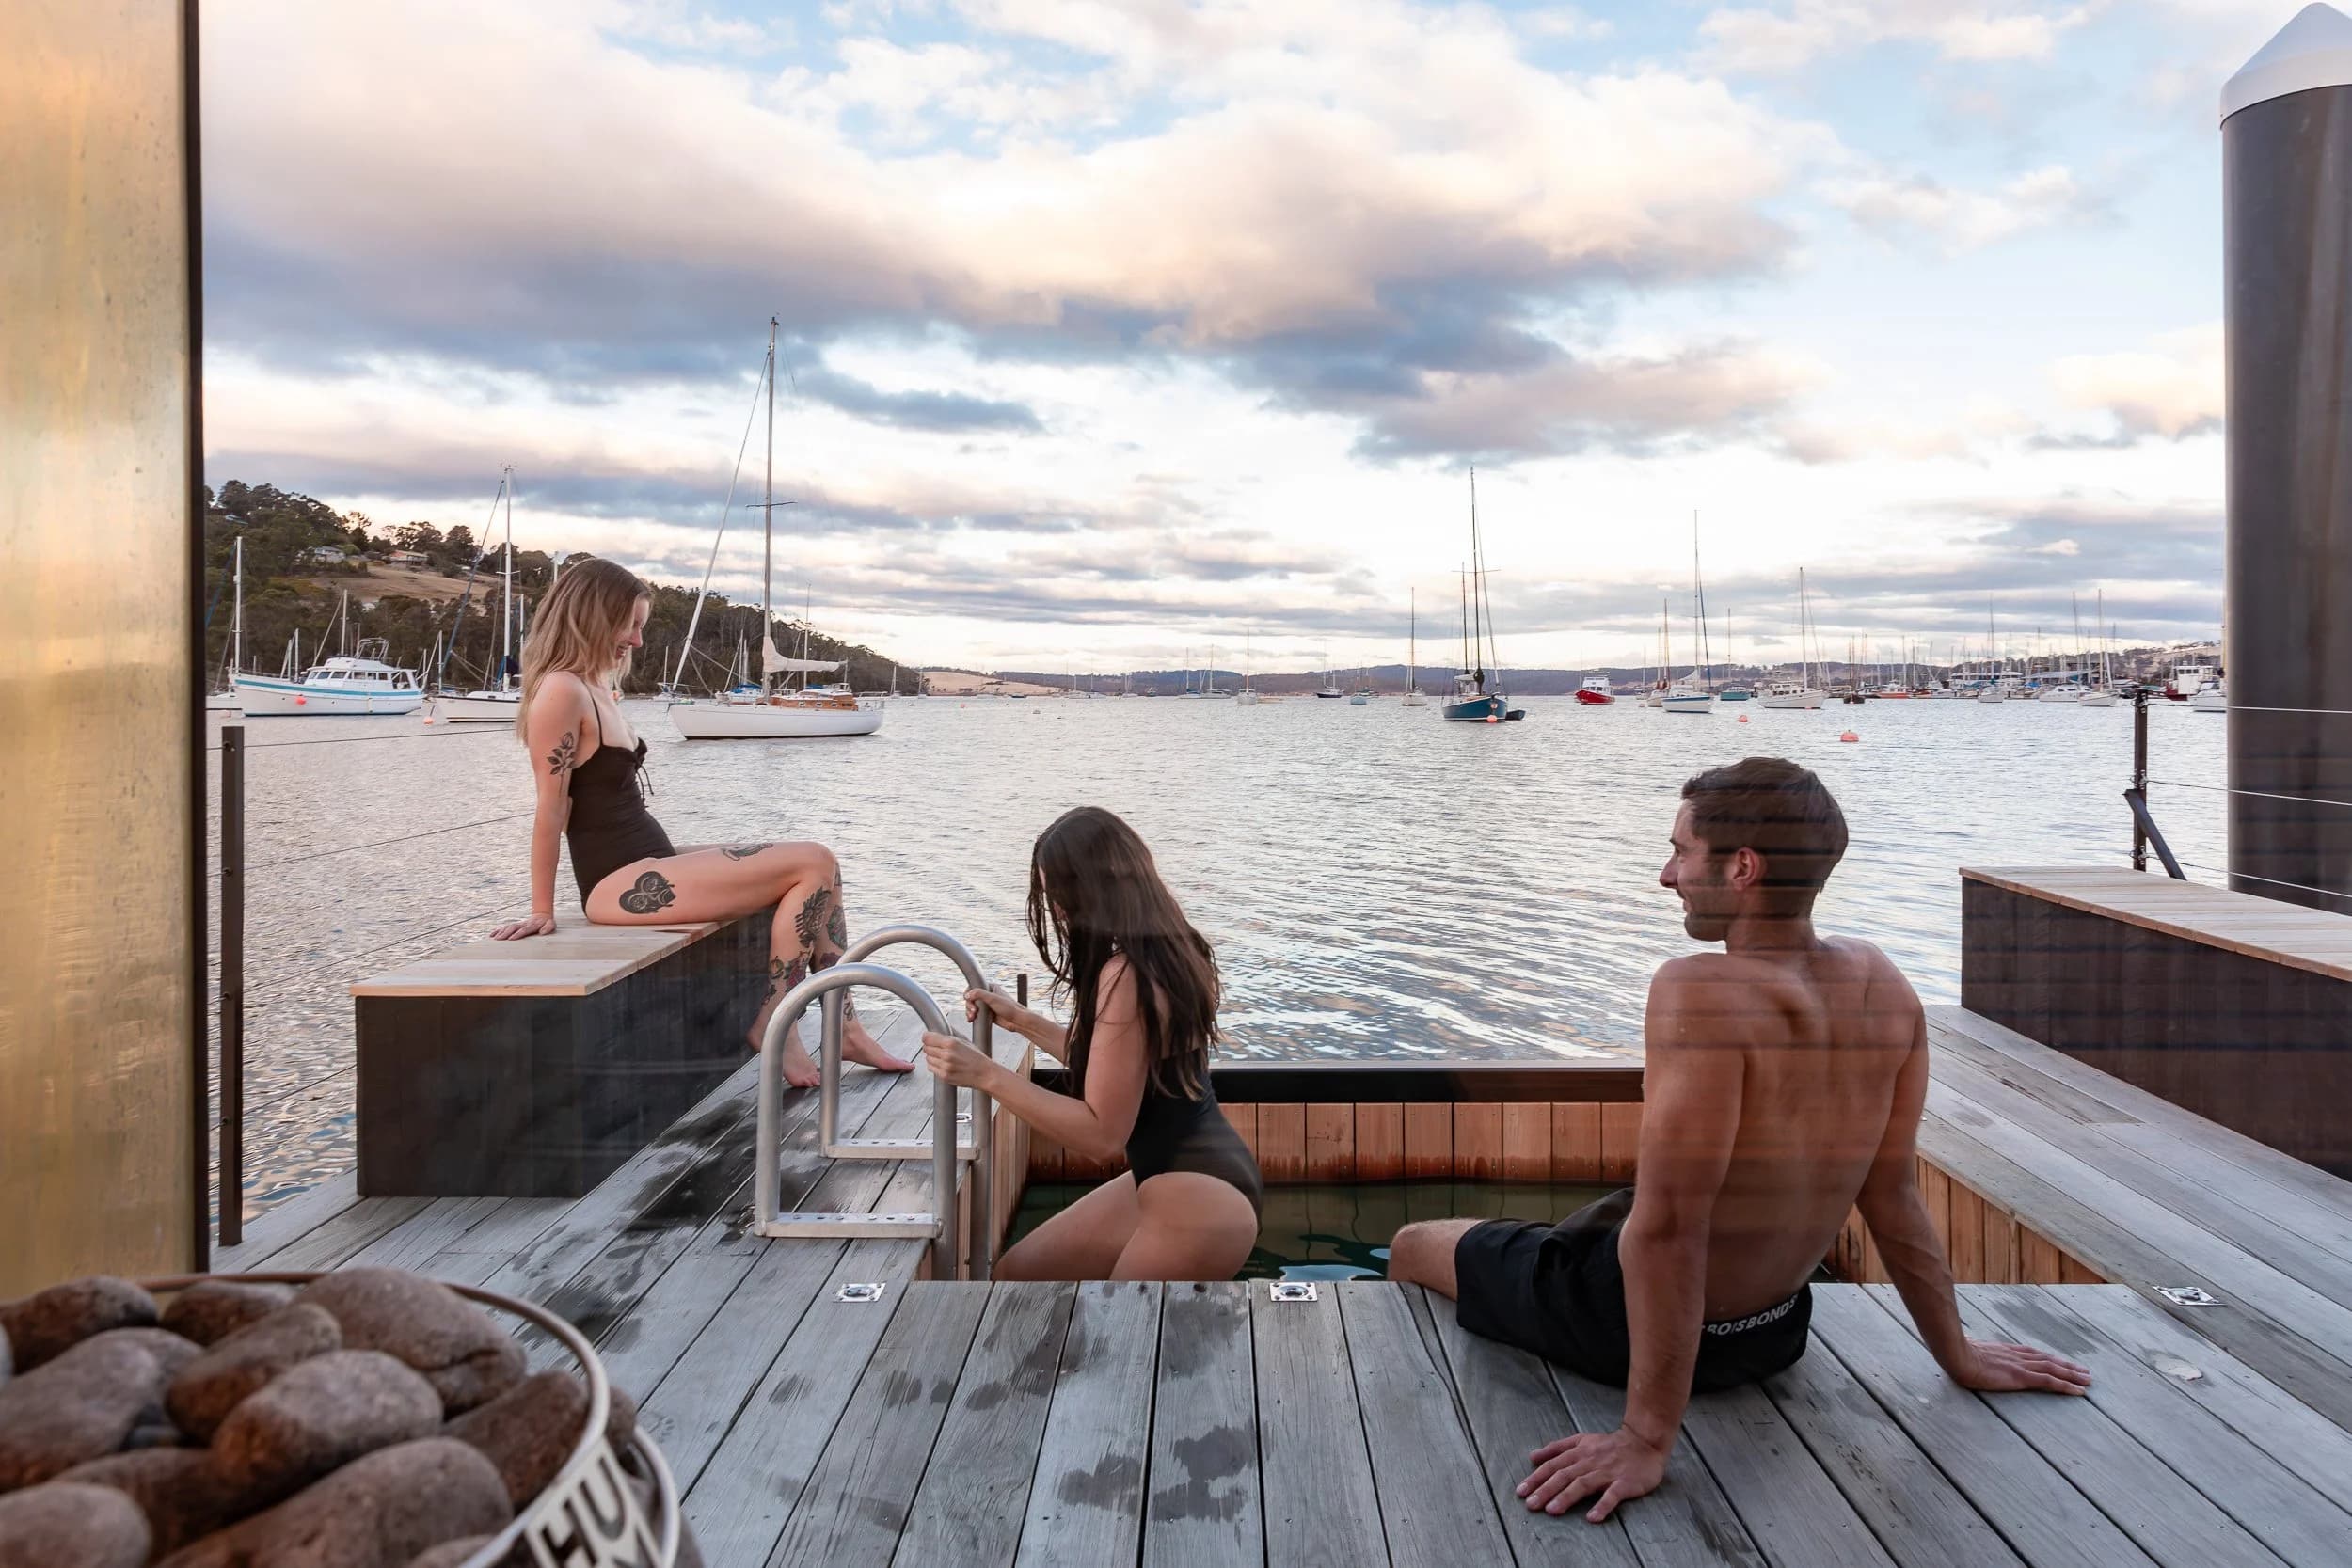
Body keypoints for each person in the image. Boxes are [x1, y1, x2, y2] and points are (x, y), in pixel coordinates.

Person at [1387, 757, 2090, 1521]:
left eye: (1682, 852)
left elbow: (1668, 1231)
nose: (1666, 875)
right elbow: (1889, 1193)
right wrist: (1959, 1353)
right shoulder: (1883, 982)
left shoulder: (1701, 990)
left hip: (1626, 1327)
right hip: (1776, 1330)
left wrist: (1646, 1436)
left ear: (1743, 867)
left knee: (1416, 1243)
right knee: (1607, 1215)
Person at [488, 557, 911, 1086]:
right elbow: (552, 806)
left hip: (651, 860)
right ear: (594, 616)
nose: (638, 641)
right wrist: (541, 910)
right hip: (616, 883)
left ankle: (843, 1022)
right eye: (632, 624)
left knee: (826, 867)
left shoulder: (594, 686)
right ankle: (777, 1024)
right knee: (811, 861)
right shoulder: (562, 690)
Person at [919, 806, 1263, 1280]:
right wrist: (1023, 1022)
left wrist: (984, 1074)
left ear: (1093, 887)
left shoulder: (1125, 974)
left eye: (1059, 892)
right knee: (1019, 1275)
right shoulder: (1172, 948)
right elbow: (1117, 1066)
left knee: (1118, 1347)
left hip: (1198, 1203)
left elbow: (1101, 1135)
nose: (1056, 908)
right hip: (1191, 1177)